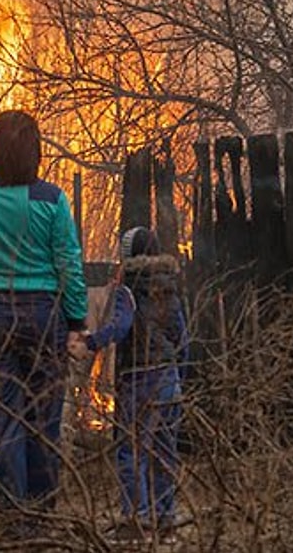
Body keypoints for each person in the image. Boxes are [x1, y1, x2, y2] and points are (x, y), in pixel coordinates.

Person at [0, 110, 88, 534]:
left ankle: (11, 517)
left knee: (3, 417)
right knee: (43, 419)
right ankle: (41, 513)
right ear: (35, 151)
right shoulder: (52, 200)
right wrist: (76, 320)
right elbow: (68, 264)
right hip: (43, 316)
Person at [69, 226, 187, 545]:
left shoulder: (129, 289)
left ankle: (137, 520)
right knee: (164, 452)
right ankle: (165, 520)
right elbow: (182, 339)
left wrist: (90, 342)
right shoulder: (169, 289)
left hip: (139, 381)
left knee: (131, 451)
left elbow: (120, 328)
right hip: (169, 379)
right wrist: (180, 376)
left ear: (127, 257)